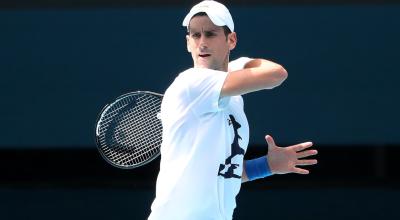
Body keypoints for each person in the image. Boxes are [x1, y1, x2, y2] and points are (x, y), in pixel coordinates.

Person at [148, 1, 318, 219]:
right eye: (195, 35)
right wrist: (239, 64)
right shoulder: (191, 83)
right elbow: (276, 74)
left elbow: (224, 173)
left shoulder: (233, 99)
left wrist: (267, 165)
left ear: (232, 40)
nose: (201, 43)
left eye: (210, 34)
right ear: (187, 43)